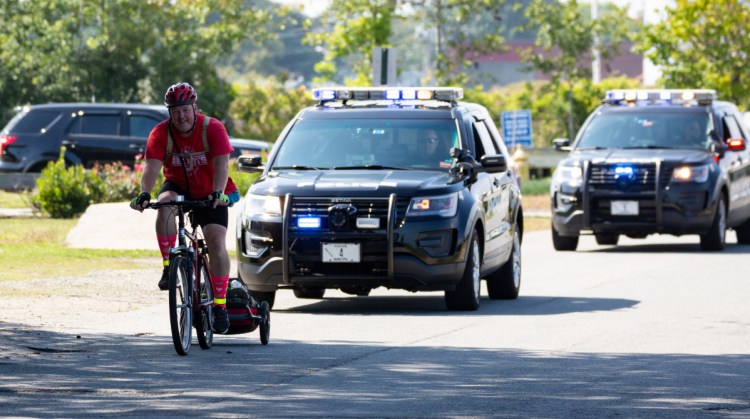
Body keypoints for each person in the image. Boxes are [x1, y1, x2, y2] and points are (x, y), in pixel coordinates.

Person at [129, 82, 239, 334]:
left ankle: (220, 305)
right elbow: (151, 168)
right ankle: (169, 266)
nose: (180, 116)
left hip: (212, 191)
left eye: (185, 110)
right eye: (175, 110)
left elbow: (222, 165)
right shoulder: (160, 133)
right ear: (169, 112)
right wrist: (145, 193)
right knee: (164, 203)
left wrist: (219, 193)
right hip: (179, 186)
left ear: (195, 108)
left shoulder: (213, 128)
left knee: (216, 243)